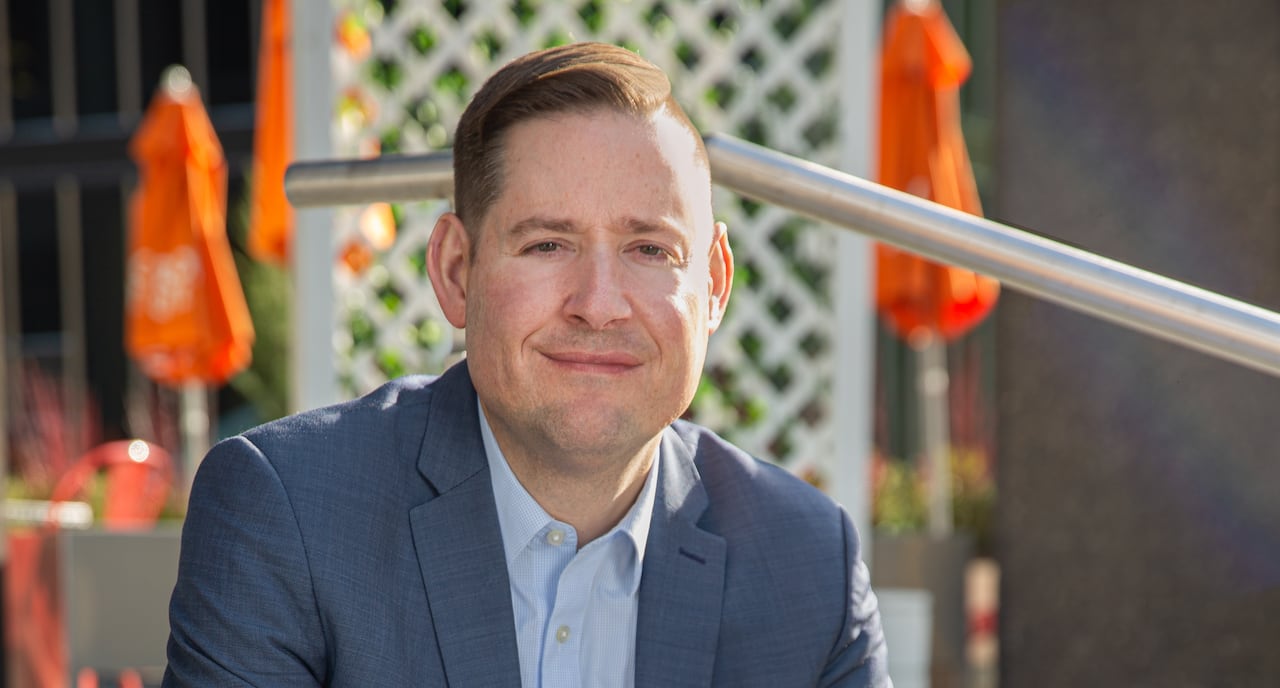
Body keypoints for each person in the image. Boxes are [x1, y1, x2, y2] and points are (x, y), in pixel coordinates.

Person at [164, 42, 889, 687]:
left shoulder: (807, 565)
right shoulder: (290, 515)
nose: (599, 305)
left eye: (650, 250)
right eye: (547, 244)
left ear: (715, 286)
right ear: (455, 270)